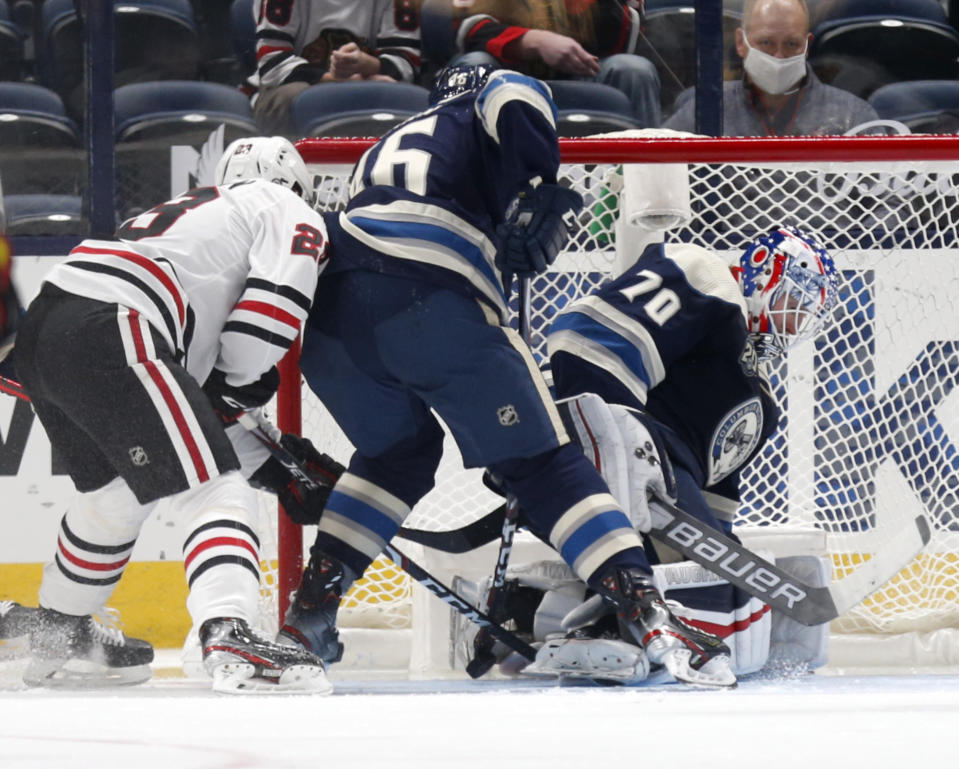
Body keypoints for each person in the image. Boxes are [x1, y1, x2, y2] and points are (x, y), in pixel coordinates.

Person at [281, 63, 735, 688]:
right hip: (429, 294)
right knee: (542, 462)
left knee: (396, 457)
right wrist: (537, 183)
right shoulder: (484, 100)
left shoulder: (381, 149)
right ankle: (649, 612)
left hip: (331, 316)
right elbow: (516, 95)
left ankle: (308, 617)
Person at [12, 137, 335, 693]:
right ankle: (229, 632)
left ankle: (57, 632)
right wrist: (243, 377)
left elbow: (194, 407)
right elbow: (271, 312)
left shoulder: (195, 218)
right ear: (296, 182)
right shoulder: (284, 205)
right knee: (213, 485)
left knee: (117, 493)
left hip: (48, 327)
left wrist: (273, 459)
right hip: (118, 322)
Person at [427, 0, 661, 127]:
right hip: (500, 71)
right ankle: (457, 185)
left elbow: (615, 38)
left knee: (633, 70)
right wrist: (531, 41)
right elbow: (456, 28)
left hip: (577, 72)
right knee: (473, 65)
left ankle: (649, 190)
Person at [662, 0, 880, 135]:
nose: (778, 56)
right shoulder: (703, 113)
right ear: (741, 42)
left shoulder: (855, 116)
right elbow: (657, 176)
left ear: (807, 45)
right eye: (766, 43)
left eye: (791, 44)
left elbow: (891, 201)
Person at [249, 0, 423, 135]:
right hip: (289, 86)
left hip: (371, 79)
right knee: (289, 96)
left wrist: (368, 64)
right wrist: (342, 80)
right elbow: (273, 65)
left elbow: (406, 64)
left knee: (400, 95)